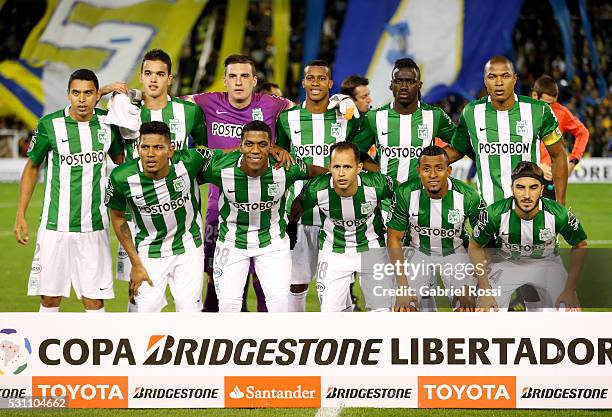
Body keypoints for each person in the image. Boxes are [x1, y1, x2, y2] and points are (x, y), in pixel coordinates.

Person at [186, 55, 294, 312]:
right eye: (232, 76)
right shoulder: (208, 101)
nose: (238, 82)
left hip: (267, 207)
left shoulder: (271, 104)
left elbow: (305, 109)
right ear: (224, 80)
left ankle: (266, 337)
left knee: (266, 282)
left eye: (244, 76)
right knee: (218, 279)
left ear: (254, 81)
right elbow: (167, 103)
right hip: (220, 206)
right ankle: (223, 337)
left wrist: (341, 100)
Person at [100, 49, 207, 305]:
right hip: (139, 222)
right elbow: (85, 115)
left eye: (160, 74)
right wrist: (103, 91)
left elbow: (202, 152)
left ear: (170, 78)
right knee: (138, 300)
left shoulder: (188, 112)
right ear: (140, 76)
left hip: (184, 220)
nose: (153, 79)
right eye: (148, 73)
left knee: (189, 305)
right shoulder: (125, 109)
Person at [14, 69, 123, 312]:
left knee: (94, 301)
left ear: (97, 95)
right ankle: (45, 350)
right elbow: (32, 167)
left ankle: (97, 349)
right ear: (68, 94)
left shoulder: (107, 124)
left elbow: (121, 162)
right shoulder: (49, 125)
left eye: (88, 93)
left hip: (94, 227)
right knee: (50, 299)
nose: (81, 99)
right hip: (55, 227)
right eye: (76, 93)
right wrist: (21, 213)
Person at [198, 120, 327, 312]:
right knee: (227, 306)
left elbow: (316, 172)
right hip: (232, 242)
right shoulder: (218, 168)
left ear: (271, 146)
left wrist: (303, 199)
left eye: (262, 144)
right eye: (249, 144)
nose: (255, 150)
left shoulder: (287, 167)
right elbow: (187, 175)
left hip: (273, 243)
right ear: (240, 146)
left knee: (279, 305)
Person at [276, 60, 362, 312]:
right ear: (303, 83)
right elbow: (280, 156)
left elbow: (363, 139)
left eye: (321, 78)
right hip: (298, 211)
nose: (315, 83)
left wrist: (347, 102)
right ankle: (296, 337)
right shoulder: (287, 118)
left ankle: (342, 341)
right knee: (296, 282)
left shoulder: (344, 117)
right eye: (310, 78)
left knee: (338, 284)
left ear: (330, 83)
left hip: (336, 214)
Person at [105, 121, 206, 312]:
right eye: (145, 147)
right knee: (146, 312)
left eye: (158, 147)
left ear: (170, 150)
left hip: (188, 247)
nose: (150, 154)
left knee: (189, 311)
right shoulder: (121, 177)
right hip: (149, 251)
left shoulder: (189, 161)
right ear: (138, 148)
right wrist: (135, 264)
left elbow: (225, 156)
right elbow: (117, 217)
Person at [445, 56, 568, 206]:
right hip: (489, 215)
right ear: (484, 80)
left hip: (530, 212)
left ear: (515, 79)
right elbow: (457, 150)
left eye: (505, 76)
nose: (499, 83)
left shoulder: (538, 110)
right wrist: (425, 160)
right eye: (492, 77)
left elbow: (559, 155)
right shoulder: (471, 113)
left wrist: (560, 205)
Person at [291, 142, 395, 312]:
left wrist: (397, 223)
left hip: (372, 250)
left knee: (382, 311)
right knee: (330, 313)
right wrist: (291, 224)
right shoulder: (317, 188)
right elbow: (297, 206)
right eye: (336, 166)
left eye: (347, 167)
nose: (341, 173)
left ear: (359, 167)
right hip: (333, 252)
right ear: (329, 167)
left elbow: (403, 194)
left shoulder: (377, 184)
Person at [469, 162, 588, 311]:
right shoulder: (494, 213)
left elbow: (580, 245)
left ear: (542, 189)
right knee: (487, 311)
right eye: (520, 187)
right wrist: (485, 292)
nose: (526, 195)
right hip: (506, 264)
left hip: (547, 265)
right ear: (512, 189)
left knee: (568, 310)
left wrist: (570, 290)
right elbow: (474, 246)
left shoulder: (558, 214)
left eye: (533, 187)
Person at [386, 146, 482, 312]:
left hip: (455, 253)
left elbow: (483, 241)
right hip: (417, 252)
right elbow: (394, 238)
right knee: (404, 308)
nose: (432, 175)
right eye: (426, 169)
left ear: (449, 170)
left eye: (439, 168)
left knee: (468, 309)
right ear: (418, 171)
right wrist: (403, 287)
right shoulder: (405, 193)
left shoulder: (468, 196)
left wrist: (473, 283)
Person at [350, 58, 456, 208]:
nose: (404, 86)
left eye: (410, 81)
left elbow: (460, 143)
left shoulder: (434, 115)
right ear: (391, 85)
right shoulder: (375, 117)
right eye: (399, 81)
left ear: (419, 85)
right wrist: (378, 171)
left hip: (424, 203)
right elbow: (354, 152)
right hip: (387, 205)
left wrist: (437, 164)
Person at [531, 75, 589, 200]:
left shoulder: (560, 112)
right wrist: (536, 164)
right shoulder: (520, 112)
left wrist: (573, 161)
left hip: (549, 180)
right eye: (546, 104)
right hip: (527, 177)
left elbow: (583, 133)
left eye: (552, 103)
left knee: (552, 218)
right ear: (535, 95)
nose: (549, 108)